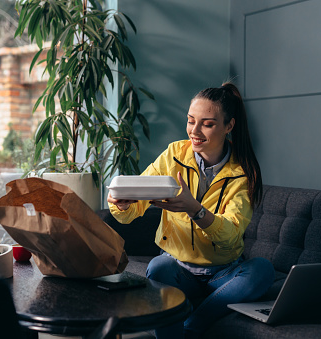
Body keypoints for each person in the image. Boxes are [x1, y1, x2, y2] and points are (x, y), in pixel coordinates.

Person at [108, 82, 275, 338]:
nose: (194, 131)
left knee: (262, 271)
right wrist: (120, 203)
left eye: (207, 124)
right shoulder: (174, 154)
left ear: (229, 126)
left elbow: (231, 234)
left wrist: (195, 209)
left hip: (224, 273)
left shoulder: (242, 173)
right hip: (179, 270)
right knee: (158, 267)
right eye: (190, 120)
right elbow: (133, 208)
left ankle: (191, 326)